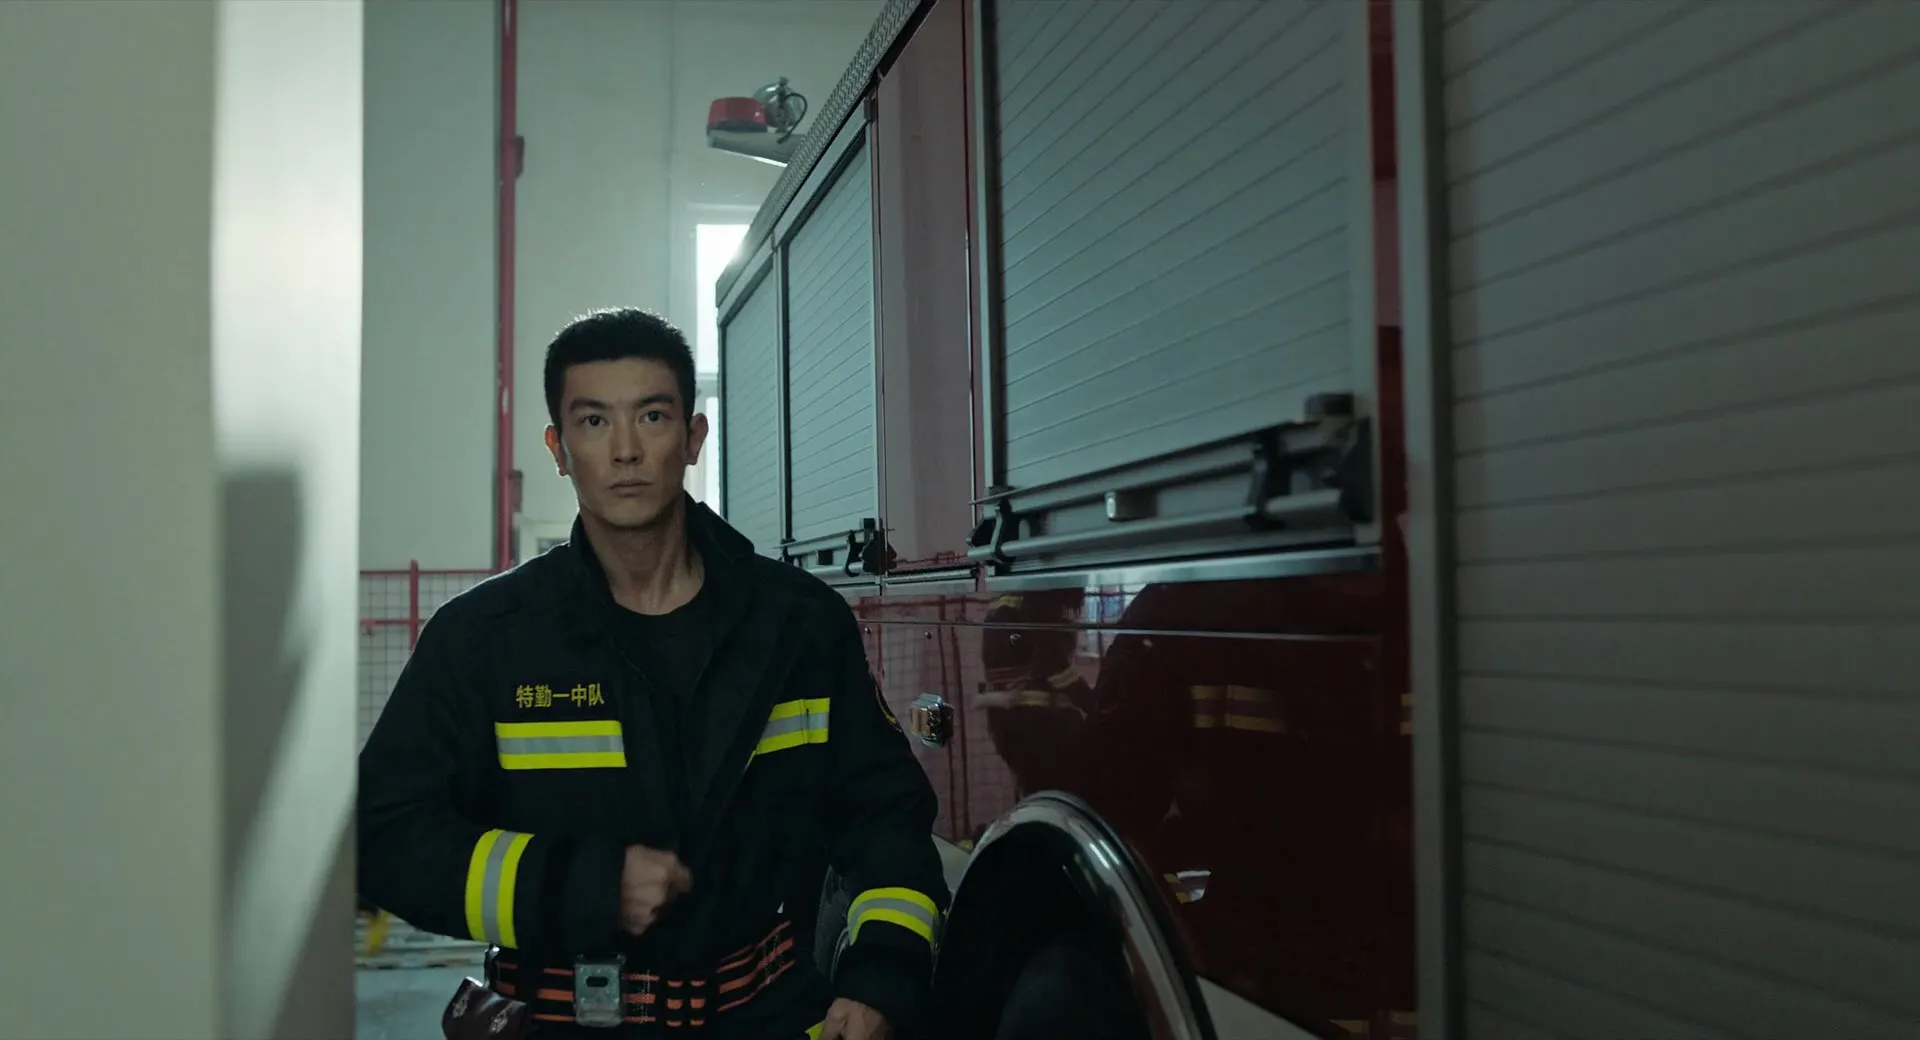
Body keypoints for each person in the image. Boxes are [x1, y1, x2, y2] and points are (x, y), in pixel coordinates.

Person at [357, 308, 948, 1040]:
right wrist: (583, 886)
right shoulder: (483, 640)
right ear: (558, 448)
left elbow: (885, 818)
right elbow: (384, 837)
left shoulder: (797, 623)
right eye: (594, 421)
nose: (626, 450)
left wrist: (883, 978)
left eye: (653, 416)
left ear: (693, 438)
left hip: (765, 1019)